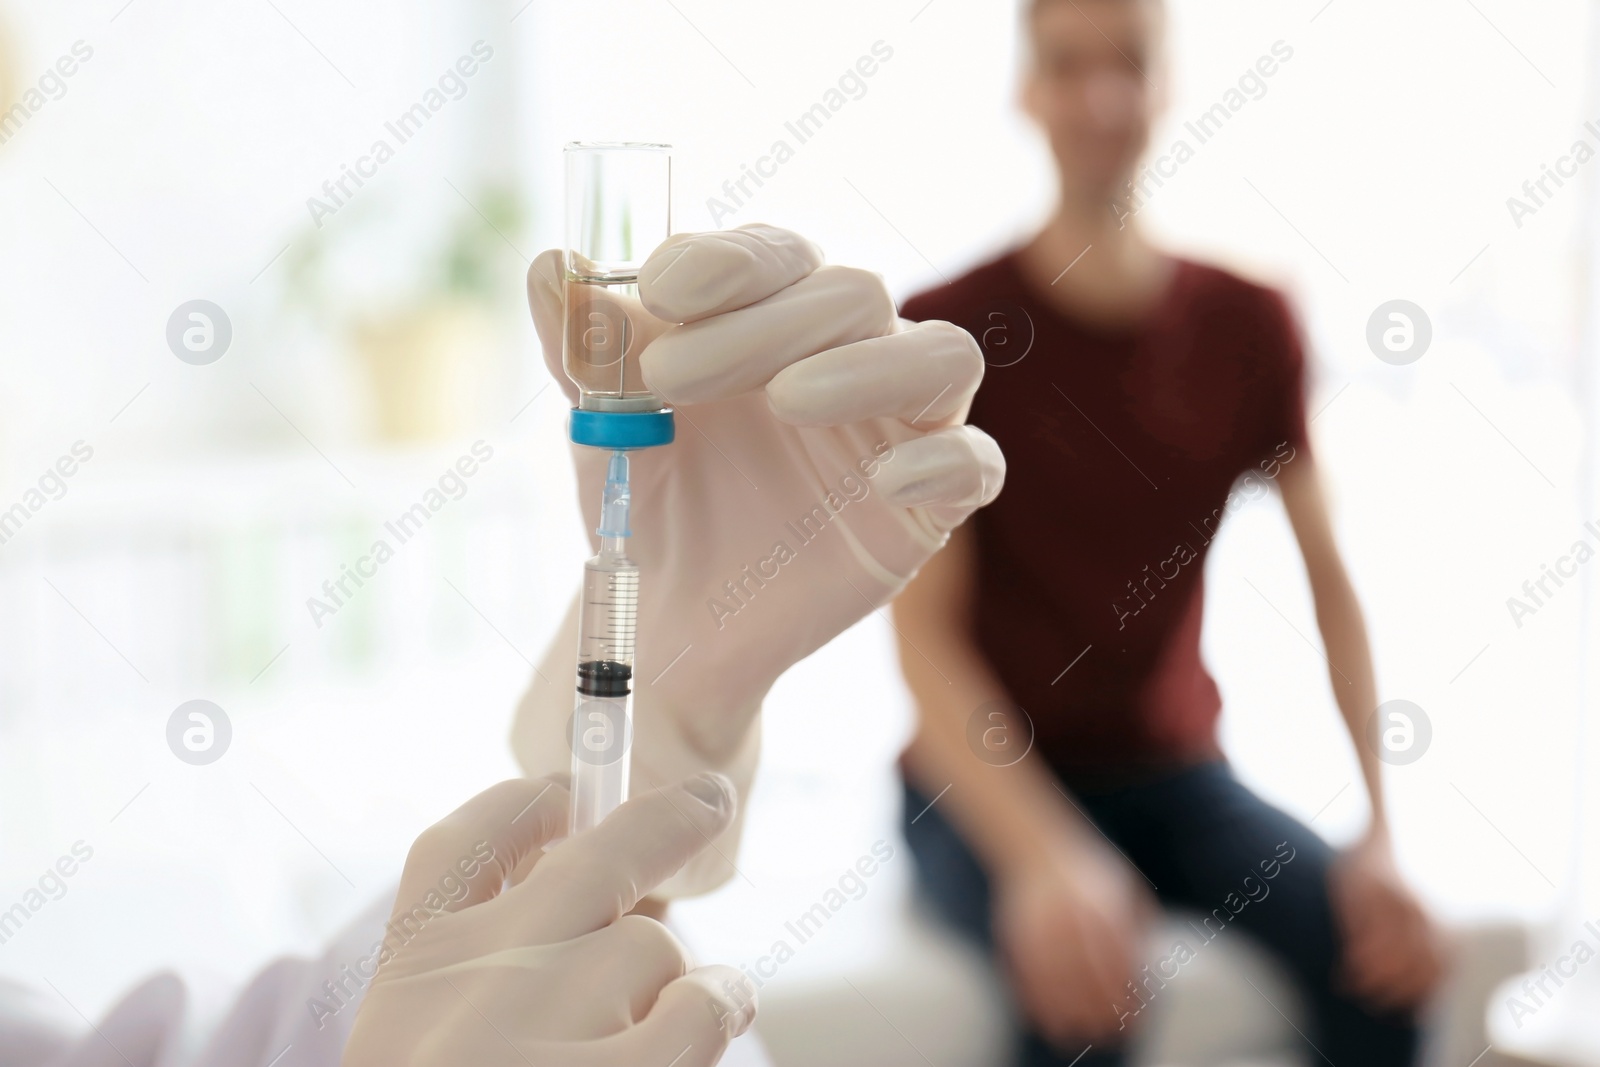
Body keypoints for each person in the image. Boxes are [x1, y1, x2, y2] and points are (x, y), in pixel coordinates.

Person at [890, 1, 1445, 1065]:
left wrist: (1378, 831)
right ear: (1027, 91)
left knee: (1382, 979)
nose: (1101, 95)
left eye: (1127, 64)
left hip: (1173, 770)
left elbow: (1331, 581)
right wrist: (1049, 856)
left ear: (1165, 84)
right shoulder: (949, 332)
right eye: (1069, 66)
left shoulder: (1248, 323)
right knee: (1082, 1007)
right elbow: (924, 636)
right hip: (981, 782)